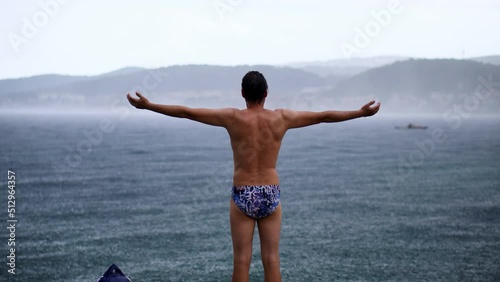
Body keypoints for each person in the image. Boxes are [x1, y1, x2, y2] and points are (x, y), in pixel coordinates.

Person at [126, 71, 380, 282]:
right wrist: (361, 113)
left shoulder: (232, 117)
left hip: (243, 193)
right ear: (266, 94)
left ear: (242, 94)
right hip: (270, 192)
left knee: (241, 260)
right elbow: (324, 116)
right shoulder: (282, 118)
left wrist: (148, 106)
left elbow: (186, 112)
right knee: (271, 258)